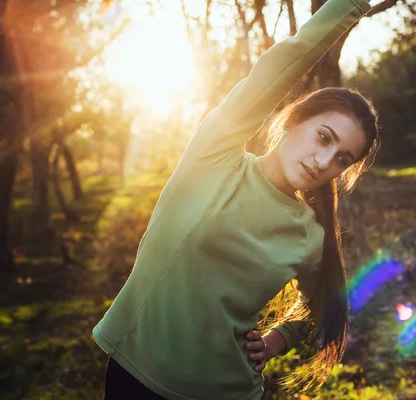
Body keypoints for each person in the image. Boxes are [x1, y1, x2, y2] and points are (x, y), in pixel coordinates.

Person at [92, 0, 379, 398]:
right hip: (135, 376)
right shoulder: (215, 157)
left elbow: (326, 307)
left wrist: (278, 339)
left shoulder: (309, 236)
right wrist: (350, 5)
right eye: (324, 137)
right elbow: (288, 59)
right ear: (294, 119)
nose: (324, 161)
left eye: (341, 159)